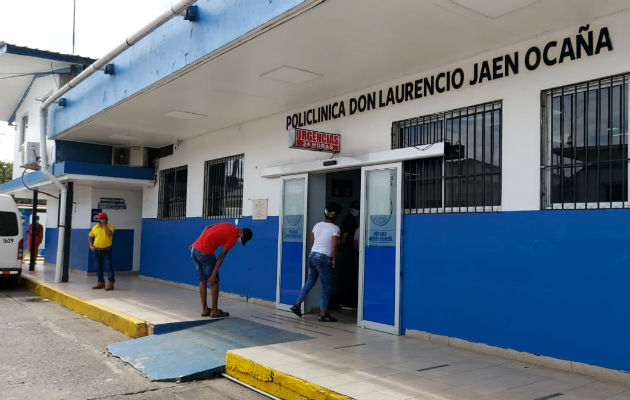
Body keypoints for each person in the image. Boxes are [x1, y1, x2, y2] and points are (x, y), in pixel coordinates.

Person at [290, 203, 341, 322]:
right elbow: (335, 246)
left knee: (310, 281)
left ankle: (297, 305)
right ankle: (323, 314)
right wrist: (334, 259)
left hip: (312, 255)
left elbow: (313, 241)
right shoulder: (335, 228)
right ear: (335, 216)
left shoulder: (317, 225)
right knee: (326, 286)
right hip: (323, 257)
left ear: (325, 214)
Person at [190, 222, 253, 317]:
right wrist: (213, 274)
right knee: (214, 281)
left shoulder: (228, 224)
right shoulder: (233, 239)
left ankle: (204, 310)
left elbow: (207, 227)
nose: (239, 240)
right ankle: (214, 310)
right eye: (241, 238)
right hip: (205, 252)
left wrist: (195, 243)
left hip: (194, 250)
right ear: (241, 232)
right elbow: (221, 257)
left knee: (202, 280)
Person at [339, 200, 359, 308]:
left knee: (349, 275)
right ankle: (346, 301)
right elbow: (345, 235)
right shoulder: (349, 220)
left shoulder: (351, 219)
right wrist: (341, 247)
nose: (357, 211)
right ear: (350, 209)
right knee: (348, 275)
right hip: (348, 251)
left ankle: (346, 300)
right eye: (355, 208)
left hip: (348, 250)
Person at [89, 212, 116, 291]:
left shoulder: (110, 226)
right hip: (97, 250)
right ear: (99, 220)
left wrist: (104, 226)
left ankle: (111, 283)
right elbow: (90, 236)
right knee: (97, 267)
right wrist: (91, 245)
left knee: (109, 267)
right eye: (101, 219)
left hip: (107, 250)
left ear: (106, 219)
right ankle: (101, 283)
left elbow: (109, 234)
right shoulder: (95, 227)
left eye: (104, 218)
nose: (103, 220)